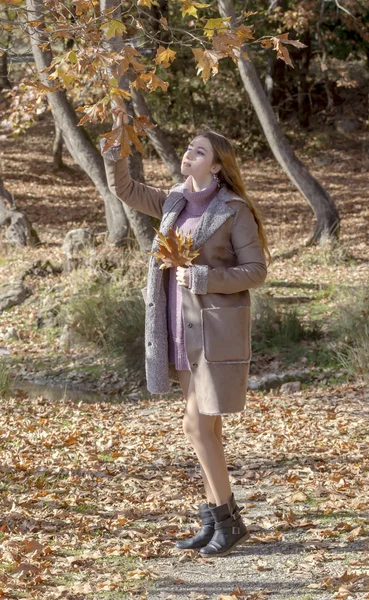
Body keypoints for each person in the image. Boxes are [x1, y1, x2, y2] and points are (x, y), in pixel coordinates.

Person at [101, 107, 270, 557]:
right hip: (177, 328)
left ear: (216, 165)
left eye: (200, 152)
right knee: (204, 431)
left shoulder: (233, 210)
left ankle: (227, 520)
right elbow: (124, 189)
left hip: (215, 332)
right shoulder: (174, 200)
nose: (189, 155)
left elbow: (256, 271)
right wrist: (117, 144)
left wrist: (203, 278)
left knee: (197, 426)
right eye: (189, 149)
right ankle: (218, 517)